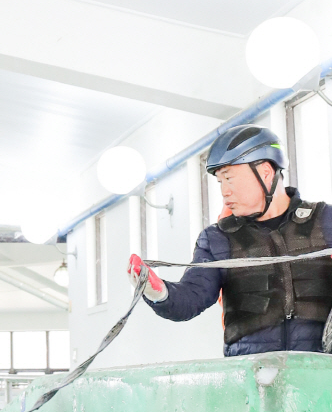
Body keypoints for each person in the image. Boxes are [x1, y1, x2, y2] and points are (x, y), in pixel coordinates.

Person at [127, 125, 332, 356]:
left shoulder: (326, 220)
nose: (224, 191)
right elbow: (190, 298)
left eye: (229, 178)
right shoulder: (218, 238)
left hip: (322, 374)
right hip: (251, 378)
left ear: (265, 172)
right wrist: (158, 292)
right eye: (220, 182)